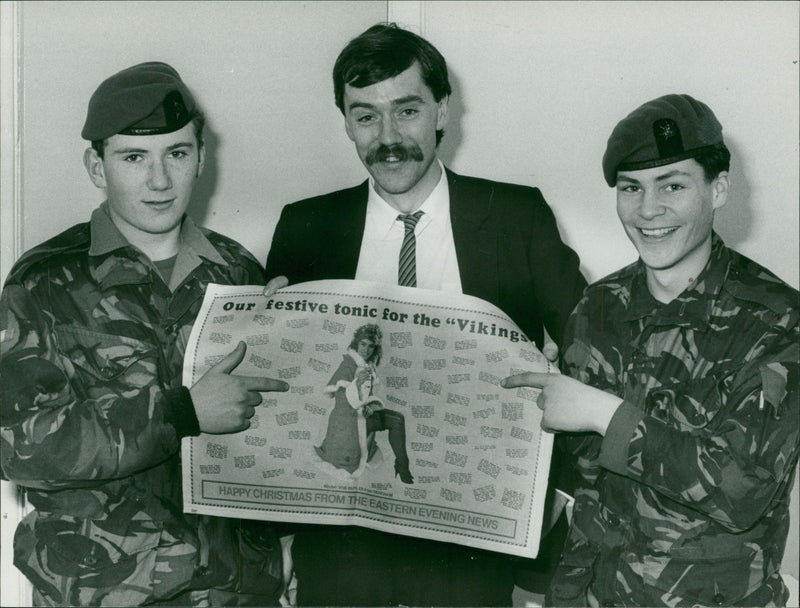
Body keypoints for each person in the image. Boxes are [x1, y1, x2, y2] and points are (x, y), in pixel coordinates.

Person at [264, 22, 587, 607]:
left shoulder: (515, 216)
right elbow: (285, 398)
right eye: (366, 116)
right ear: (346, 123)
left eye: (407, 111)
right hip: (341, 547)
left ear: (442, 110)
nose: (388, 138)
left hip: (472, 545)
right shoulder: (305, 227)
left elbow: (593, 359)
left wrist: (554, 502)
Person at [0, 62, 290, 607]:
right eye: (134, 157)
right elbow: (20, 448)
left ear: (200, 158)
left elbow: (269, 433)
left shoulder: (237, 271)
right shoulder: (44, 282)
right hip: (109, 589)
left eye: (176, 153)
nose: (160, 181)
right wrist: (182, 412)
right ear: (97, 166)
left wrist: (300, 333)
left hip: (235, 589)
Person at [503, 94, 800, 607]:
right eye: (631, 188)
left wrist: (600, 412)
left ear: (718, 188)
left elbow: (741, 492)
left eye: (673, 185)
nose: (648, 209)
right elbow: (580, 475)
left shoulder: (778, 321)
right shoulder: (598, 305)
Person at [314, 324, 413, 483]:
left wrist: (369, 406)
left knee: (398, 418)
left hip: (361, 415)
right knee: (396, 421)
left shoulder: (367, 366)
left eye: (371, 346)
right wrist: (357, 388)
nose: (366, 350)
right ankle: (403, 468)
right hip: (347, 421)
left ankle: (402, 466)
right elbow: (341, 399)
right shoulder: (348, 364)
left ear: (376, 348)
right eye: (363, 344)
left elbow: (367, 396)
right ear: (356, 344)